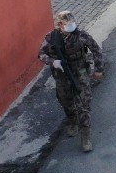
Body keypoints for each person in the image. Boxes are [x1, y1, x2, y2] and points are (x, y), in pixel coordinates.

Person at [38, 10, 103, 153]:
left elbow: (96, 50)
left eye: (73, 23)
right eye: (68, 24)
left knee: (83, 104)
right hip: (61, 76)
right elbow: (41, 54)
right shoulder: (51, 38)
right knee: (65, 101)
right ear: (60, 24)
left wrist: (98, 69)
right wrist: (53, 61)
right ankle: (73, 121)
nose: (71, 26)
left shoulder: (81, 35)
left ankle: (86, 136)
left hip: (80, 74)